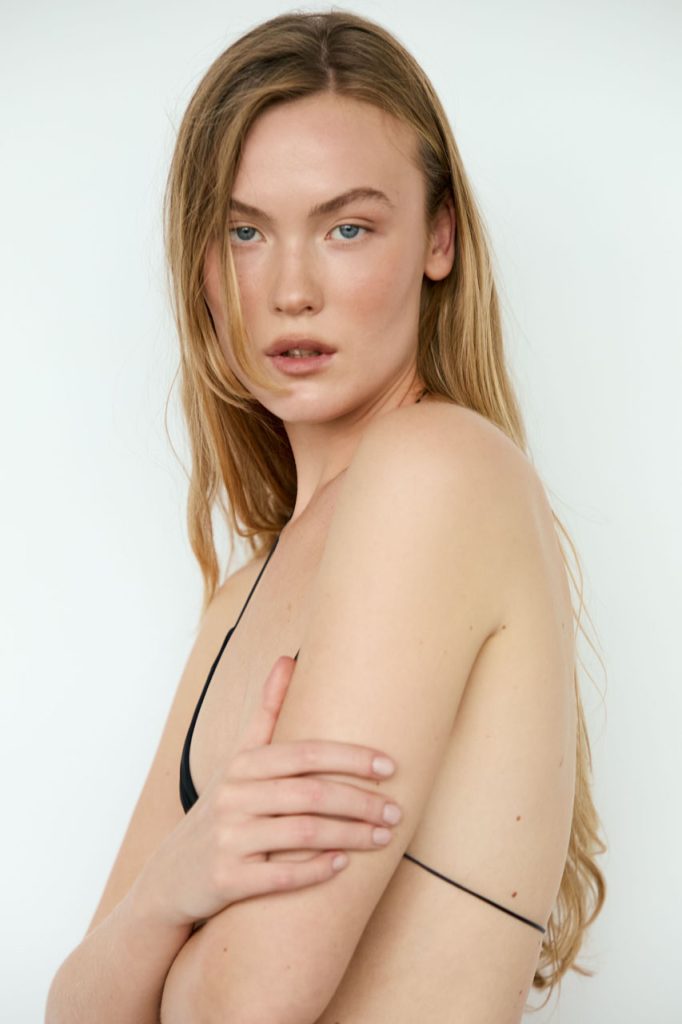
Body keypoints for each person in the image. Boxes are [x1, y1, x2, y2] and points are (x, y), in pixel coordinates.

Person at [46, 10, 607, 1023]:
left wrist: (162, 940)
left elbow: (242, 1006)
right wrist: (173, 885)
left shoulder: (434, 471)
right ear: (201, 259)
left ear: (439, 238)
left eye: (347, 227)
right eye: (245, 231)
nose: (291, 290)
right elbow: (72, 1009)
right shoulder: (240, 598)